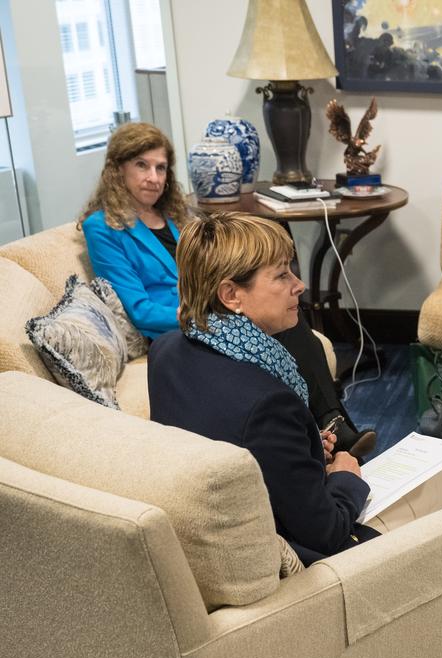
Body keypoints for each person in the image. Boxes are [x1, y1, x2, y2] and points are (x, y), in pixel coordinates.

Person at [147, 212, 442, 564]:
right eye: (282, 275)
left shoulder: (165, 352)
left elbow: (234, 442)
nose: (299, 285)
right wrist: (345, 474)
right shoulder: (268, 403)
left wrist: (304, 450)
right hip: (308, 561)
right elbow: (327, 533)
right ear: (231, 294)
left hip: (212, 545)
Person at [79, 122, 374, 457]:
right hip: (175, 326)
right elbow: (140, 310)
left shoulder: (175, 214)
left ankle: (326, 429)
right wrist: (204, 314)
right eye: (142, 166)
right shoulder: (102, 228)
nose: (154, 177)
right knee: (283, 322)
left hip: (218, 308)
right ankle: (325, 431)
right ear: (117, 170)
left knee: (289, 317)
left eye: (161, 167)